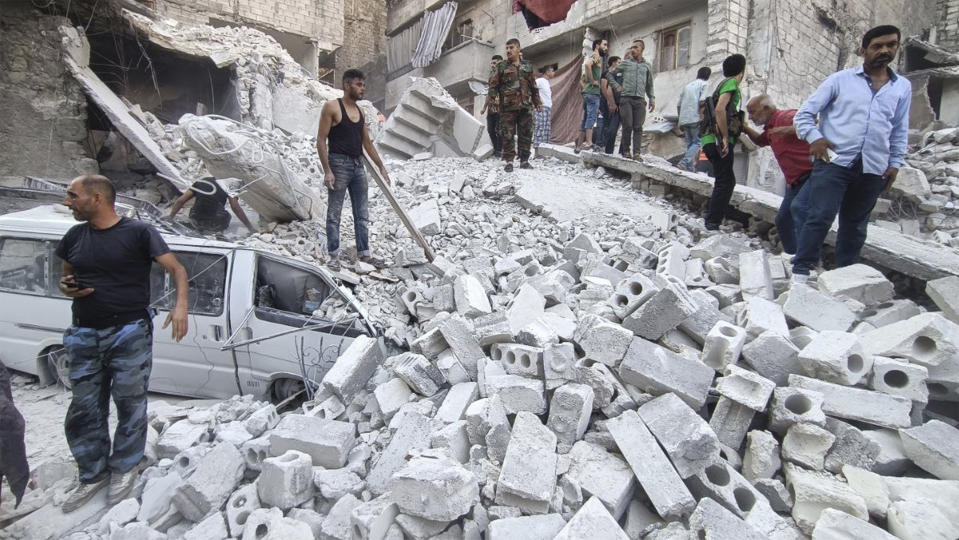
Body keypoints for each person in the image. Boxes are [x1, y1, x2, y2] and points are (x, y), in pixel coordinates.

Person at [56, 174, 189, 512]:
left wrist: (180, 306)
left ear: (97, 198)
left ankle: (124, 467)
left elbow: (176, 270)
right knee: (84, 408)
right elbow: (65, 276)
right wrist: (67, 287)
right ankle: (93, 474)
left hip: (129, 331)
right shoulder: (74, 236)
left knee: (129, 404)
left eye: (73, 195)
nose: (67, 201)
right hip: (84, 331)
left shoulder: (139, 233)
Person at [790, 25, 910, 282]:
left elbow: (899, 129)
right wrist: (816, 138)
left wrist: (896, 163)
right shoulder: (839, 80)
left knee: (855, 226)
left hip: (873, 167)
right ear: (864, 50)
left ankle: (846, 279)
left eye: (891, 45)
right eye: (878, 46)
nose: (885, 50)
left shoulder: (902, 88)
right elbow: (804, 116)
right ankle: (802, 272)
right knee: (819, 217)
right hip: (834, 162)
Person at [316, 69, 392, 270]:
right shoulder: (332, 107)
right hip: (338, 164)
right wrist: (327, 170)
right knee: (335, 213)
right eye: (359, 84)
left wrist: (381, 167)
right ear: (347, 84)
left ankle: (365, 255)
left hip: (358, 165)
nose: (362, 89)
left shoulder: (360, 112)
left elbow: (367, 143)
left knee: (362, 212)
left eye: (363, 85)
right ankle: (334, 255)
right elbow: (321, 140)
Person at [743, 95, 813, 254]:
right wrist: (745, 128)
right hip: (795, 181)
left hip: (812, 174)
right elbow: (761, 141)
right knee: (783, 220)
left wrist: (786, 129)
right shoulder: (770, 128)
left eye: (753, 112)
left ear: (766, 109)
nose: (751, 117)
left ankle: (807, 260)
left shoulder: (786, 117)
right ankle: (793, 256)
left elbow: (813, 125)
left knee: (800, 209)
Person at [700, 53, 747, 230]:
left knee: (725, 179)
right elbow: (720, 109)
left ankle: (716, 215)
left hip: (709, 138)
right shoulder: (732, 83)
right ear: (742, 71)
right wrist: (725, 136)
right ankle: (712, 221)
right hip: (717, 140)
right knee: (725, 181)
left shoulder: (721, 84)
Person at [489, 38, 542, 172]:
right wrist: (492, 102)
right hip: (507, 107)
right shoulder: (502, 66)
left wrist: (537, 102)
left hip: (525, 106)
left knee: (526, 134)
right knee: (507, 134)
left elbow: (533, 86)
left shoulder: (527, 66)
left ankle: (524, 161)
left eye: (511, 47)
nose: (508, 50)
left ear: (518, 49)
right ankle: (509, 161)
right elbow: (493, 86)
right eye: (507, 48)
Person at [607, 39, 655, 161]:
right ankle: (626, 151)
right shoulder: (626, 63)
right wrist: (616, 86)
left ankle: (637, 153)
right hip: (626, 99)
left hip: (640, 100)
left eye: (636, 47)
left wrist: (652, 99)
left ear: (642, 49)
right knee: (627, 126)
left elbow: (649, 85)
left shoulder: (647, 66)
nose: (633, 50)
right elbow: (609, 75)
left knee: (638, 127)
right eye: (632, 47)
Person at [167, 177, 257, 235]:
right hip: (215, 222)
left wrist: (170, 217)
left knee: (195, 210)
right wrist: (250, 227)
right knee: (227, 215)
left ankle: (199, 227)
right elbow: (235, 207)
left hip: (195, 218)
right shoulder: (231, 185)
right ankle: (217, 232)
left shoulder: (201, 181)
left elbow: (180, 201)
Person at [575, 38, 607, 153]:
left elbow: (582, 80)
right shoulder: (596, 56)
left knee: (585, 119)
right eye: (604, 45)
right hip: (593, 93)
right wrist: (593, 82)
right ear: (597, 46)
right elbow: (588, 65)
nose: (606, 47)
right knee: (591, 118)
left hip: (587, 93)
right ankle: (588, 142)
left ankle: (578, 146)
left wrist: (586, 88)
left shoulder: (591, 56)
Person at [677, 67, 712, 171]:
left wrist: (680, 121)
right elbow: (701, 102)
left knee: (689, 144)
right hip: (695, 117)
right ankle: (684, 162)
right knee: (697, 142)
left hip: (684, 118)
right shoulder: (704, 84)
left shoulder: (687, 86)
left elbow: (678, 105)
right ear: (708, 76)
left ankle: (689, 167)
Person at [481, 55, 504, 158]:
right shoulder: (491, 76)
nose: (492, 65)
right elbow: (489, 93)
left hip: (501, 108)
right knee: (490, 130)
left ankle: (500, 150)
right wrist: (484, 108)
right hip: (491, 108)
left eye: (495, 63)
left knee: (500, 130)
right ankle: (496, 149)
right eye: (492, 63)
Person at [601, 55, 624, 154]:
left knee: (626, 129)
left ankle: (623, 152)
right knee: (610, 127)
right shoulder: (611, 73)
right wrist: (611, 102)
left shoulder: (625, 72)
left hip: (626, 104)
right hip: (615, 104)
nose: (621, 63)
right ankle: (607, 150)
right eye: (619, 62)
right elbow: (606, 88)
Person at [533, 65, 554, 153]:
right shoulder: (540, 81)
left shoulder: (547, 82)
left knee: (546, 129)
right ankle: (537, 153)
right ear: (547, 72)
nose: (553, 73)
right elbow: (533, 90)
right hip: (541, 107)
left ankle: (543, 152)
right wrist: (539, 101)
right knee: (540, 128)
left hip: (547, 108)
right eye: (552, 71)